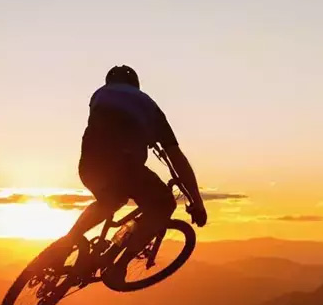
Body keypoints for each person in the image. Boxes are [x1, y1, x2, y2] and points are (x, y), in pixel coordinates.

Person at [49, 65, 207, 271]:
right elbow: (175, 157)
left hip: (89, 165)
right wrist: (197, 200)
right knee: (164, 204)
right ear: (136, 85)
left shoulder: (99, 95)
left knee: (110, 200)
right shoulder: (147, 104)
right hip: (124, 165)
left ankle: (65, 245)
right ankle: (117, 267)